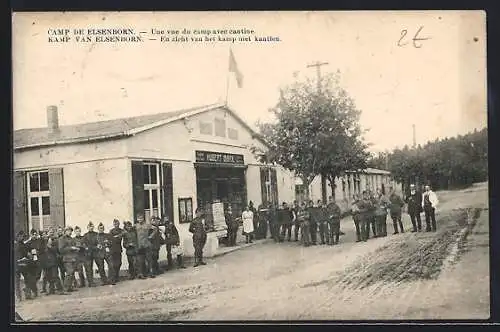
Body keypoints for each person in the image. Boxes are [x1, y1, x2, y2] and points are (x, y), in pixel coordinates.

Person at [15, 231, 39, 300]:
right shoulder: (14, 244)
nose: (22, 238)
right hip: (16, 265)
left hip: (24, 265)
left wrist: (30, 256)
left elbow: (27, 253)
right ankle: (19, 296)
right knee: (16, 282)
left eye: (23, 236)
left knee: (28, 279)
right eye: (21, 236)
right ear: (18, 236)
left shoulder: (24, 245)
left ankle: (27, 294)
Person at [57, 226, 80, 293]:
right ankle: (65, 289)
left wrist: (76, 249)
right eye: (68, 230)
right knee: (69, 273)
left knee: (72, 273)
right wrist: (71, 248)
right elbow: (61, 249)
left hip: (73, 258)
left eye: (71, 231)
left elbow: (74, 246)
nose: (70, 232)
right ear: (65, 231)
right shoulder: (62, 239)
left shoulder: (72, 239)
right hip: (66, 258)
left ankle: (70, 287)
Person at [135, 214, 154, 279]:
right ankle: (141, 274)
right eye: (138, 218)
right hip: (140, 245)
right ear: (137, 219)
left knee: (149, 260)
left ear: (143, 218)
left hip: (146, 244)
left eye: (141, 218)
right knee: (141, 260)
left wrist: (151, 236)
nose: (140, 219)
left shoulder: (147, 225)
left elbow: (155, 229)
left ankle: (151, 273)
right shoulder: (136, 226)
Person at [83, 221, 100, 287]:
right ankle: (90, 282)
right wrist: (86, 247)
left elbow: (99, 242)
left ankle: (104, 280)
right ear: (87, 227)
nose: (91, 228)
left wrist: (98, 245)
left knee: (100, 266)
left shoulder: (96, 234)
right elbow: (84, 244)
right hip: (88, 254)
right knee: (89, 268)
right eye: (89, 227)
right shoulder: (85, 235)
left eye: (92, 226)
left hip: (96, 253)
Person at [108, 219, 125, 283]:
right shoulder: (111, 231)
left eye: (117, 224)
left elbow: (124, 233)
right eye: (115, 224)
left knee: (119, 263)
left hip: (118, 249)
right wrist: (117, 236)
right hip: (112, 249)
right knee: (113, 264)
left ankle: (116, 276)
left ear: (119, 224)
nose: (116, 225)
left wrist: (118, 236)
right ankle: (113, 278)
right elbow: (111, 238)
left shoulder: (121, 230)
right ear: (113, 224)